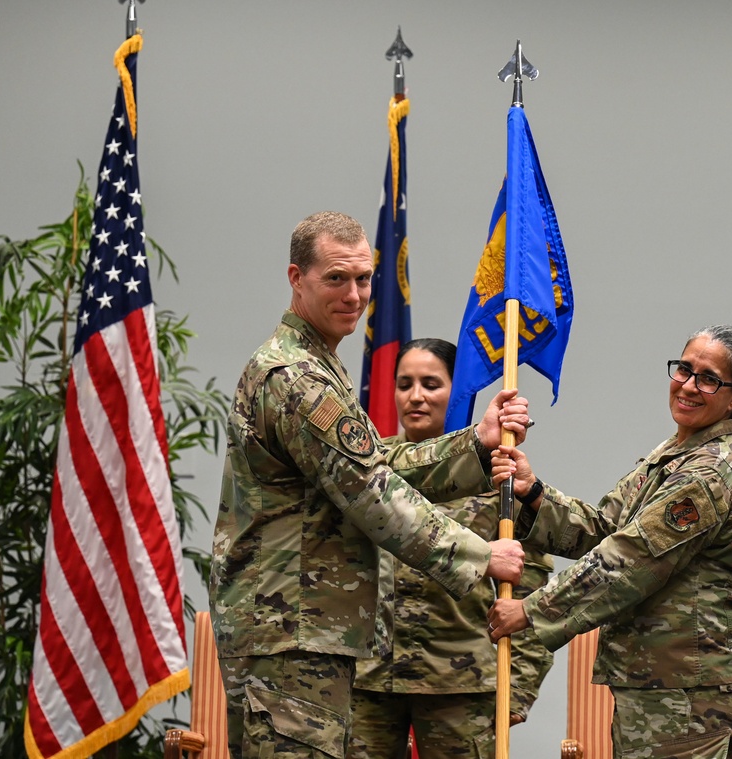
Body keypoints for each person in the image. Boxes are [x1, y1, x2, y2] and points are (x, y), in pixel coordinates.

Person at [209, 211, 532, 759]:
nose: (354, 294)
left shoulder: (316, 365)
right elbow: (371, 491)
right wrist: (480, 556)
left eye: (364, 279)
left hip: (301, 627)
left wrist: (475, 441)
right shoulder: (297, 379)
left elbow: (376, 461)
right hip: (291, 628)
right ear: (297, 278)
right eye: (336, 278)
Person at [487, 325, 732, 759]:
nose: (689, 386)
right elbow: (604, 530)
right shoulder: (674, 455)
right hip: (660, 681)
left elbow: (628, 560)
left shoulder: (708, 474)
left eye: (708, 378)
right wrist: (533, 493)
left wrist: (530, 610)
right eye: (684, 370)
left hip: (688, 692)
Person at [348, 339, 555, 759]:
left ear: (457, 389)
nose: (416, 396)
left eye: (431, 383)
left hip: (460, 680)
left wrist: (518, 684)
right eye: (404, 384)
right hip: (369, 679)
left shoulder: (498, 474)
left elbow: (533, 592)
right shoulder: (369, 471)